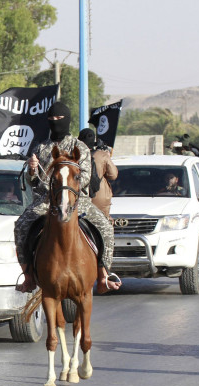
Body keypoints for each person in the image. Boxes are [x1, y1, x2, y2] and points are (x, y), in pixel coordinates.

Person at [13, 102, 120, 294]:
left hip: (77, 201)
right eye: (51, 120)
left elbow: (86, 176)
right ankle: (28, 275)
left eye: (59, 119)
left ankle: (104, 273)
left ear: (67, 120)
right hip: (46, 201)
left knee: (105, 226)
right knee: (21, 225)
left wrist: (66, 186)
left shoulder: (79, 147)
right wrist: (32, 169)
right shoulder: (40, 148)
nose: (55, 123)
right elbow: (32, 182)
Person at [78, 129, 118, 217]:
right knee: (103, 226)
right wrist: (106, 157)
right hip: (100, 198)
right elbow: (113, 175)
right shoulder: (101, 155)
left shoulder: (74, 155)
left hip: (79, 198)